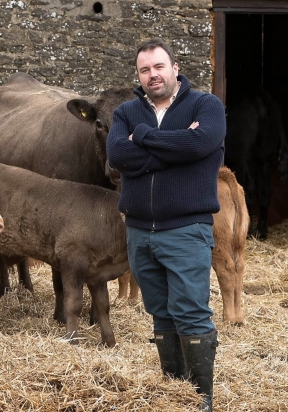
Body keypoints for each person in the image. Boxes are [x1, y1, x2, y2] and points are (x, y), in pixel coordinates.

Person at [106, 38, 225, 412]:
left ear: (175, 68)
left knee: (190, 311)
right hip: (140, 232)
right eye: (144, 70)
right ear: (138, 76)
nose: (152, 75)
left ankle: (201, 400)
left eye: (159, 67)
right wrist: (177, 150)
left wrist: (143, 138)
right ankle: (176, 395)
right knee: (160, 311)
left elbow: (200, 145)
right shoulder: (126, 112)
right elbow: (117, 155)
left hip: (186, 229)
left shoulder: (205, 105)